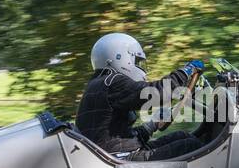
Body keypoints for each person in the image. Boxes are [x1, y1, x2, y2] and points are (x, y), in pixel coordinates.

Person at [75, 33, 207, 160]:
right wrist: (186, 71)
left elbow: (118, 137)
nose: (139, 67)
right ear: (119, 57)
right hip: (120, 159)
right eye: (136, 61)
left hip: (115, 154)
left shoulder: (100, 83)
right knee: (189, 146)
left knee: (182, 135)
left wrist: (152, 124)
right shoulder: (113, 82)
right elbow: (156, 93)